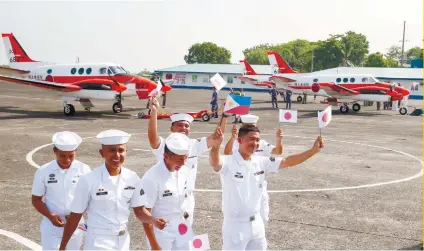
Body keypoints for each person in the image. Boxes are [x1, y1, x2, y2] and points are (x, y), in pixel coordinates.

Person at [209, 125, 324, 250]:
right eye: (251, 139)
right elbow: (215, 162)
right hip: (236, 226)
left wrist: (313, 151)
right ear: (240, 140)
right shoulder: (229, 162)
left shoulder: (261, 162)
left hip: (257, 224)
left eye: (258, 140)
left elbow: (287, 161)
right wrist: (215, 147)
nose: (255, 143)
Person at [59, 129, 155, 250]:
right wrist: (62, 246)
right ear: (102, 153)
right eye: (111, 150)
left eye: (121, 150)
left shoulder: (132, 178)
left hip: (123, 240)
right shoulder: (89, 180)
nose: (117, 155)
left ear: (126, 151)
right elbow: (75, 216)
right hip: (99, 241)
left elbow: (140, 210)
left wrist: (153, 220)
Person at [148, 97, 224, 226]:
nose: (183, 128)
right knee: (163, 240)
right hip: (165, 201)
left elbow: (216, 137)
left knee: (184, 240)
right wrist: (154, 111)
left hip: (186, 202)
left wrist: (225, 116)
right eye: (179, 125)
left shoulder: (193, 145)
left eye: (186, 126)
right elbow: (152, 137)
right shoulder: (164, 145)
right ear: (172, 128)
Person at [132, 133, 194, 250]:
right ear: (166, 156)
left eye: (185, 158)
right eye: (179, 160)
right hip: (162, 235)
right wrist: (154, 245)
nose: (183, 163)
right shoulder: (152, 177)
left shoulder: (184, 171)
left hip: (183, 229)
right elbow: (144, 214)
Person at [32, 131, 91, 250]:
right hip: (51, 224)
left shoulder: (84, 170)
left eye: (71, 155)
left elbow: (89, 197)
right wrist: (50, 216)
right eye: (62, 155)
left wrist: (77, 213)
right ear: (55, 151)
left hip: (76, 223)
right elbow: (36, 199)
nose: (67, 160)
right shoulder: (44, 171)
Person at [223, 114, 283, 225]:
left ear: (257, 127)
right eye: (246, 126)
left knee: (262, 219)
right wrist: (232, 138)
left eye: (252, 126)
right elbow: (226, 153)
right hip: (240, 186)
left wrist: (279, 139)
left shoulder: (262, 143)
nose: (250, 128)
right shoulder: (237, 143)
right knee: (241, 220)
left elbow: (278, 151)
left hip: (259, 186)